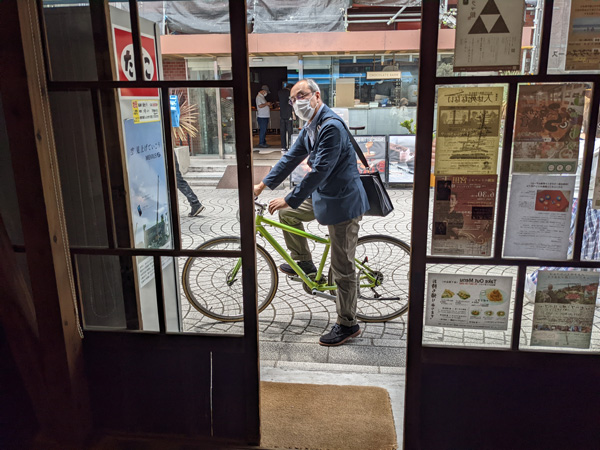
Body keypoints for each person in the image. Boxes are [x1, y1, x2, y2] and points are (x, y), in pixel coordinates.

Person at [253, 78, 369, 347]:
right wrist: (262, 185)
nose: (297, 102)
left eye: (302, 95)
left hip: (343, 202)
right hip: (325, 195)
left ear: (317, 96)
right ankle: (304, 262)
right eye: (293, 99)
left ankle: (348, 323)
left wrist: (291, 198)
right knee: (288, 215)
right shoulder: (311, 126)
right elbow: (290, 158)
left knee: (342, 268)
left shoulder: (331, 127)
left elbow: (320, 171)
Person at [277, 82, 294, 151]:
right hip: (288, 114)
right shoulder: (289, 94)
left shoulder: (280, 92)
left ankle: (283, 146)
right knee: (290, 131)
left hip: (282, 114)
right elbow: (291, 104)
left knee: (282, 131)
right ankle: (290, 145)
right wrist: (293, 113)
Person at [255, 84, 271, 149]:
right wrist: (266, 104)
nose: (266, 93)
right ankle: (261, 143)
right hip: (262, 117)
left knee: (264, 130)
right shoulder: (258, 97)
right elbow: (260, 106)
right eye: (266, 92)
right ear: (264, 91)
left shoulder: (262, 97)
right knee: (263, 130)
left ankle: (263, 142)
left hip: (265, 116)